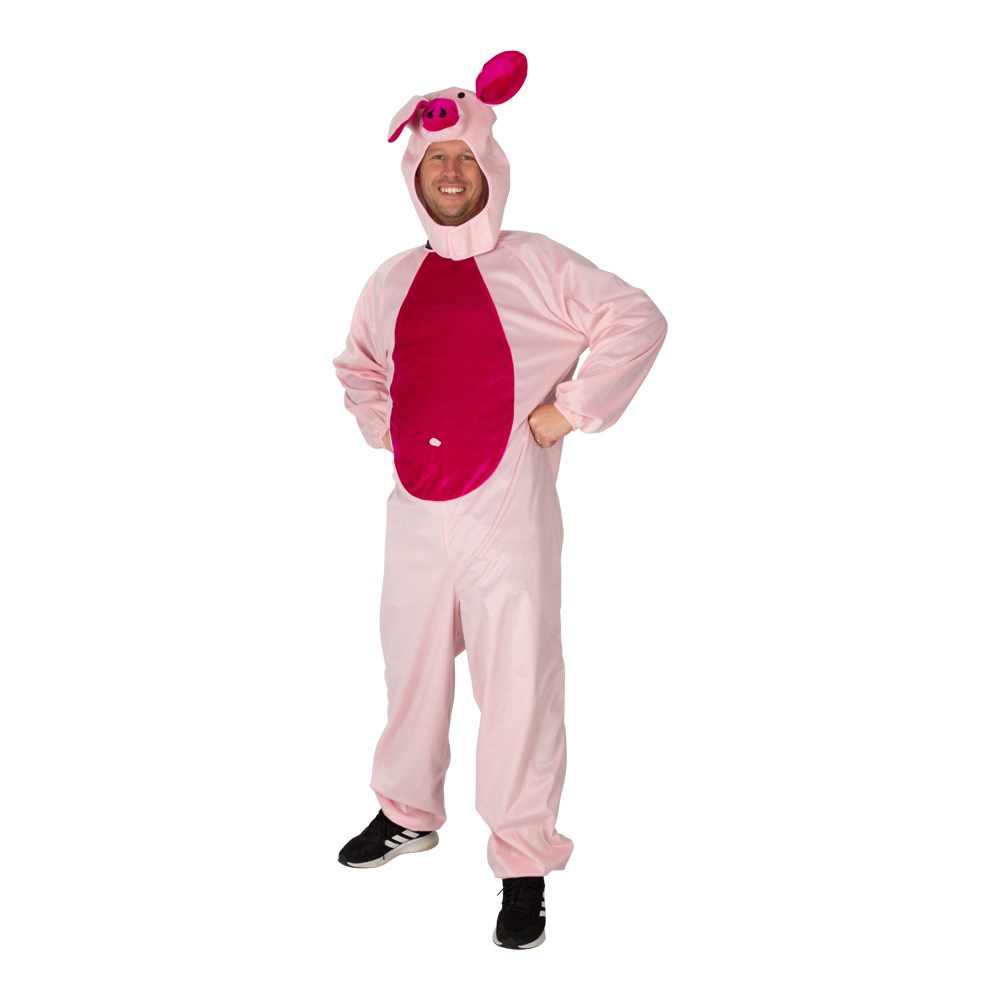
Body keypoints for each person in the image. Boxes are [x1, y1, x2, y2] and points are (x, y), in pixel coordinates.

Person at [332, 50, 667, 950]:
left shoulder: (539, 265)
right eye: (434, 160)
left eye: (464, 158)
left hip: (506, 511)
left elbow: (637, 317)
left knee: (517, 680)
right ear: (414, 173)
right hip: (415, 509)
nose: (449, 172)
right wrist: (385, 429)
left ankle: (522, 861)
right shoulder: (390, 279)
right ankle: (406, 811)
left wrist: (570, 411)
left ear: (490, 166)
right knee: (410, 666)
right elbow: (359, 366)